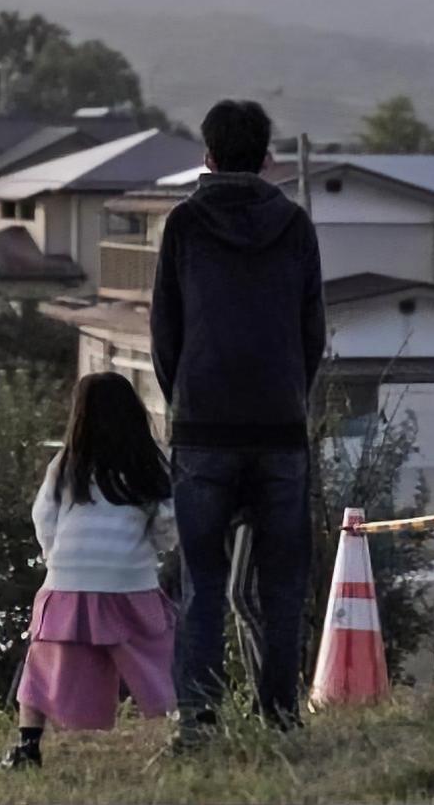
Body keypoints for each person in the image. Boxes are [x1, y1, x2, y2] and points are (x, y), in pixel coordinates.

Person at [150, 99, 326, 740]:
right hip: (280, 429)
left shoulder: (184, 225)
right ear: (268, 159)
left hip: (203, 432)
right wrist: (289, 399)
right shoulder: (295, 225)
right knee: (282, 584)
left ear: (209, 156)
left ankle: (197, 721)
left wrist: (186, 401)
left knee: (201, 583)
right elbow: (314, 332)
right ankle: (281, 718)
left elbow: (164, 333)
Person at [0, 373, 176, 771]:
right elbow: (168, 521)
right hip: (130, 581)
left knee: (43, 664)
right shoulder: (150, 461)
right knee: (155, 662)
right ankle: (174, 731)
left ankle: (28, 746)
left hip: (69, 580)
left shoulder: (67, 463)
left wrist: (54, 559)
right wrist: (156, 551)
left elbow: (43, 517)